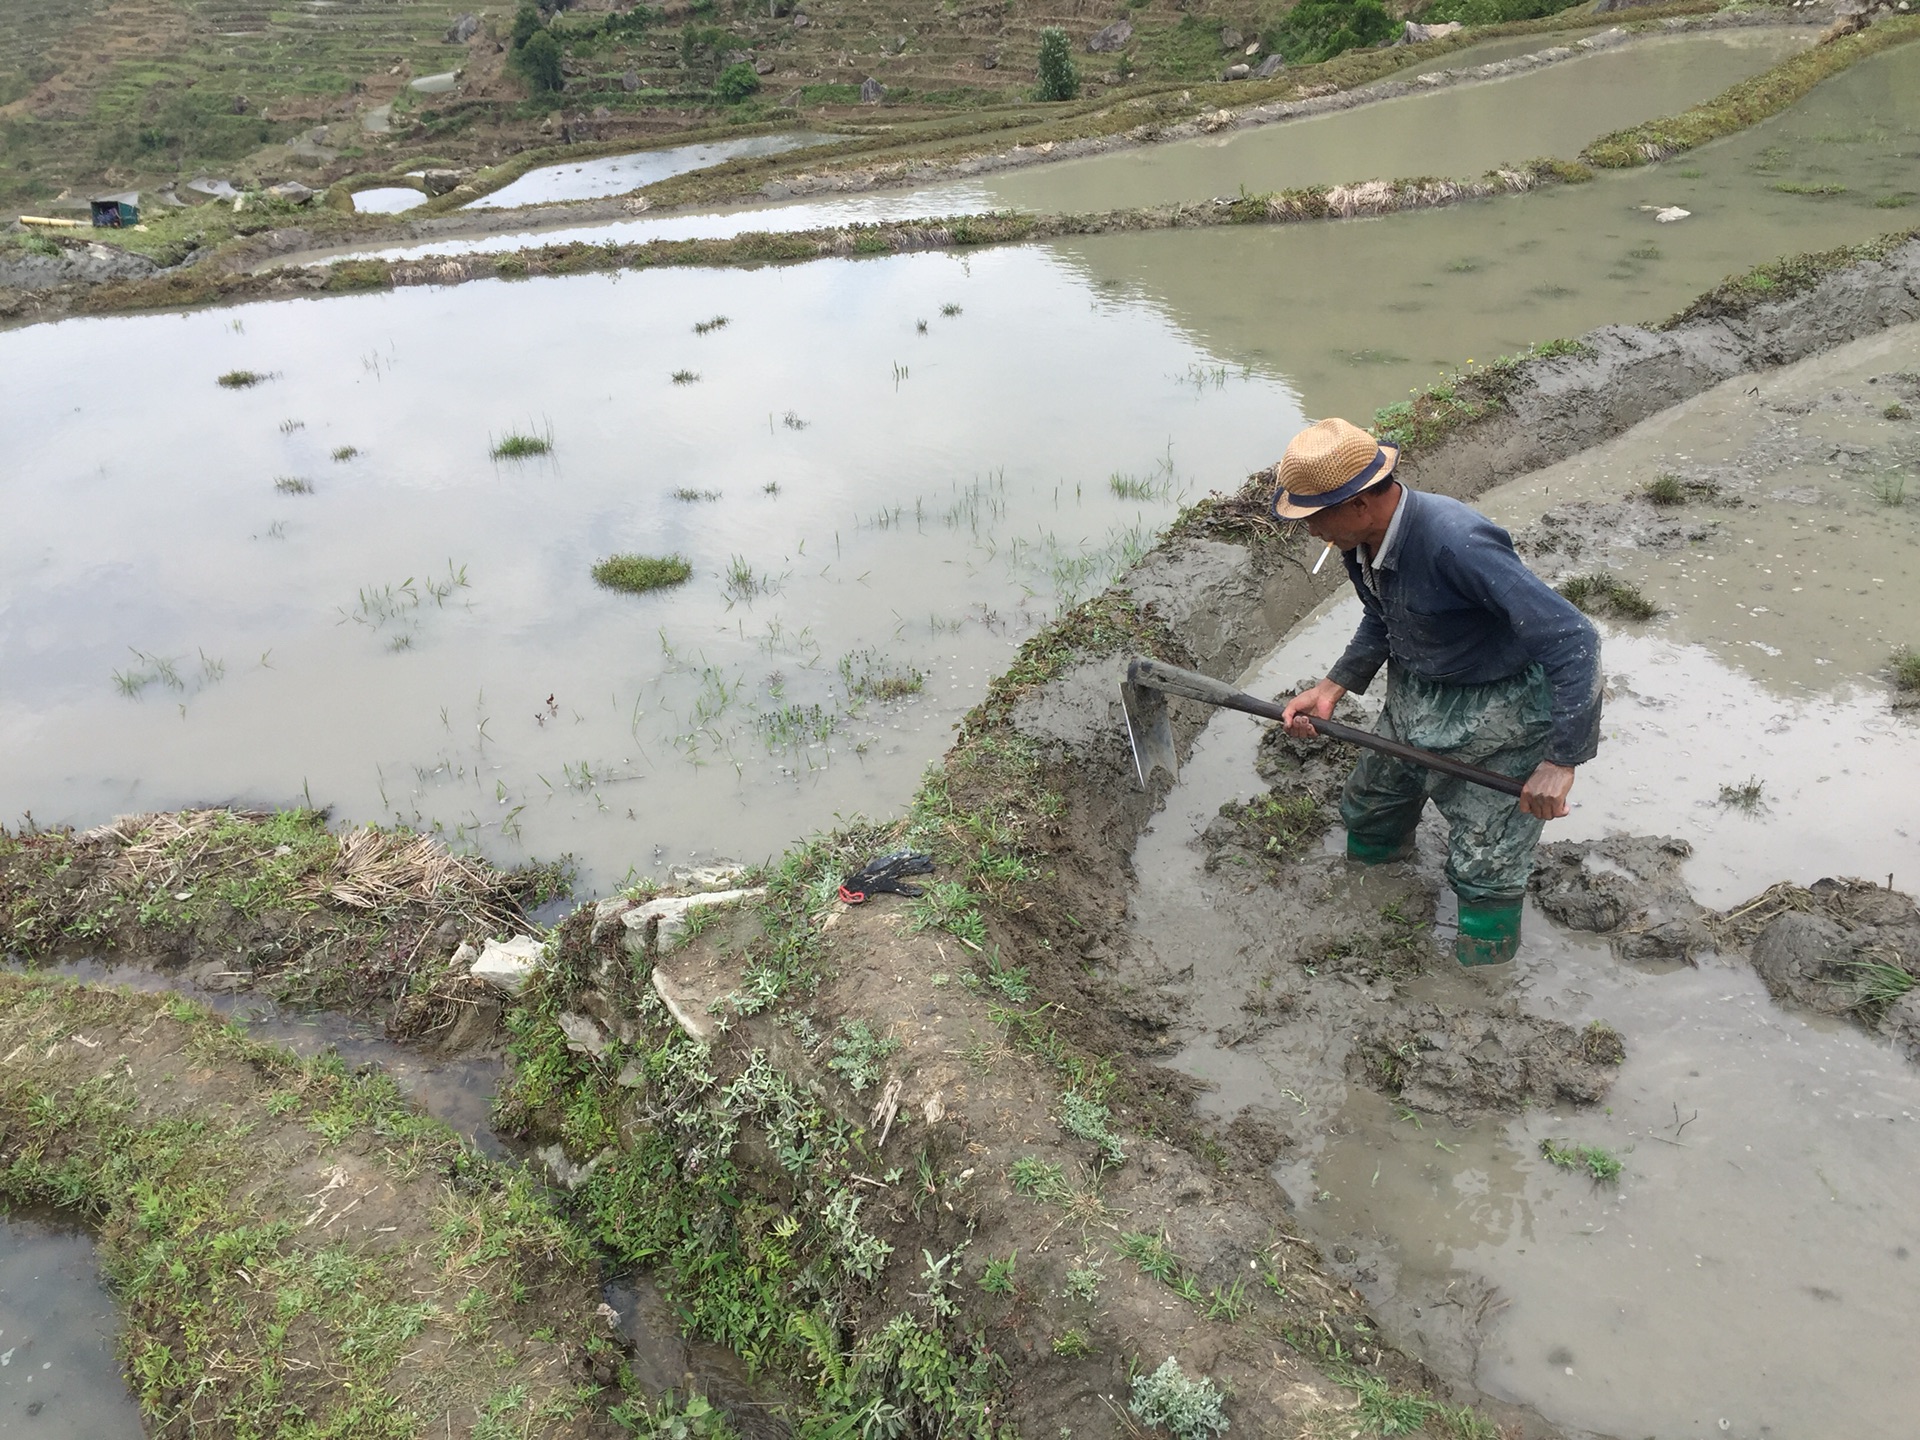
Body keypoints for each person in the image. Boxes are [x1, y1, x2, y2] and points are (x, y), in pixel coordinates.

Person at [1272, 417, 1601, 966]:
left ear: (1359, 504)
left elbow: (1574, 639)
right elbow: (1383, 615)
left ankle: (1482, 976)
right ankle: (1375, 898)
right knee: (1371, 808)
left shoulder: (1457, 543)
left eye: (1315, 517)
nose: (1310, 532)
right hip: (1414, 696)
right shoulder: (1361, 541)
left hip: (1498, 712)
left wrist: (1561, 761)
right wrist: (1333, 687)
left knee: (1486, 863)